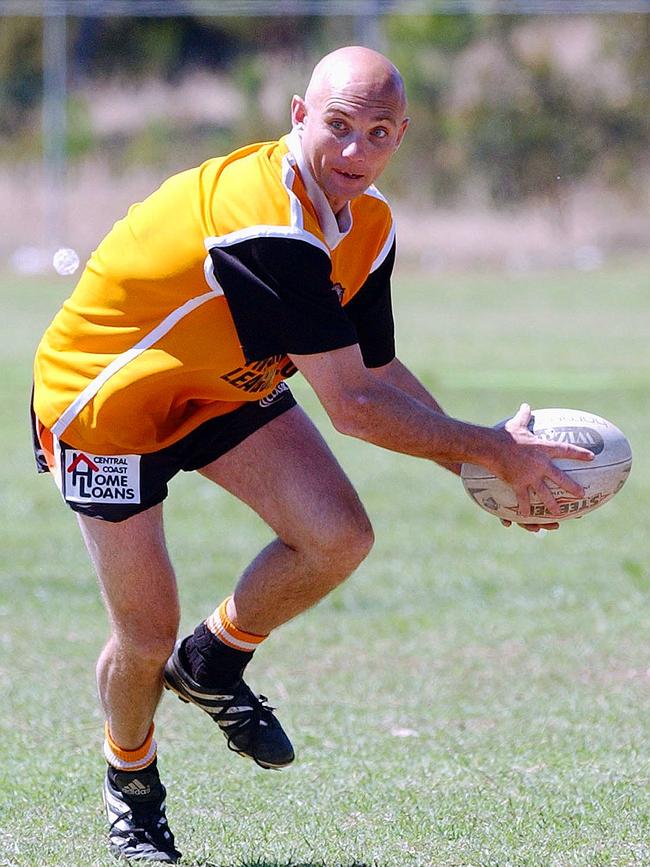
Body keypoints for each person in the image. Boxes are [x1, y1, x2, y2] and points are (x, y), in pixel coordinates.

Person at [31, 45, 593, 863]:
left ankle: (213, 661)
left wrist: (485, 467)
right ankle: (133, 787)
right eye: (336, 127)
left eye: (377, 133)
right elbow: (357, 408)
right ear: (298, 116)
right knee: (143, 634)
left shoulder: (369, 227)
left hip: (219, 384)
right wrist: (492, 451)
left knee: (338, 534)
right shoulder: (271, 222)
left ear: (401, 136)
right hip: (106, 405)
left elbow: (374, 368)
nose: (355, 153)